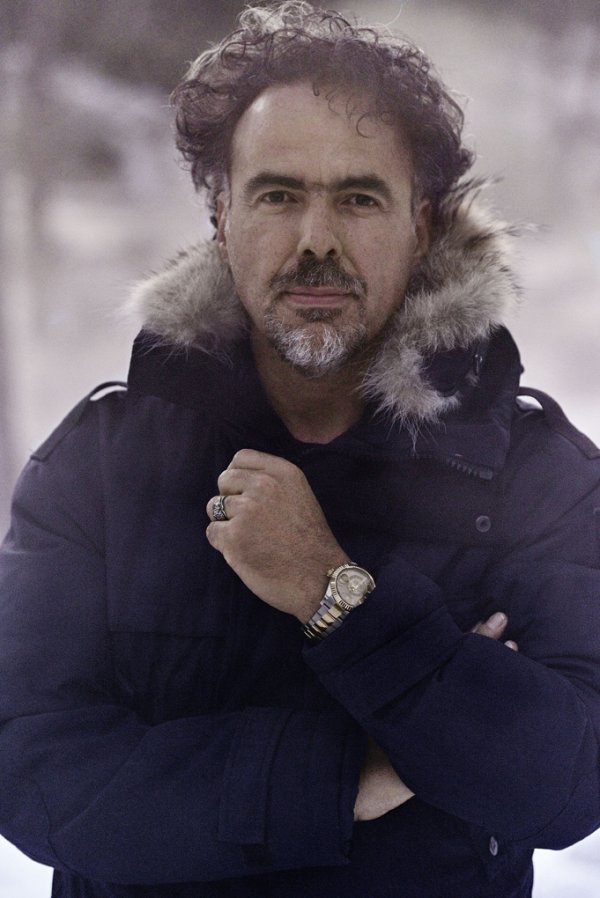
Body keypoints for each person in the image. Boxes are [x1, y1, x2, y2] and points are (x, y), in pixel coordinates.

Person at [1, 3, 600, 896]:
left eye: (358, 198)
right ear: (222, 219)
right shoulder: (99, 462)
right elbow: (30, 771)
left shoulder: (538, 474)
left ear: (421, 228)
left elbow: (571, 782)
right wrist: (343, 778)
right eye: (279, 195)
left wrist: (336, 594)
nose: (317, 240)